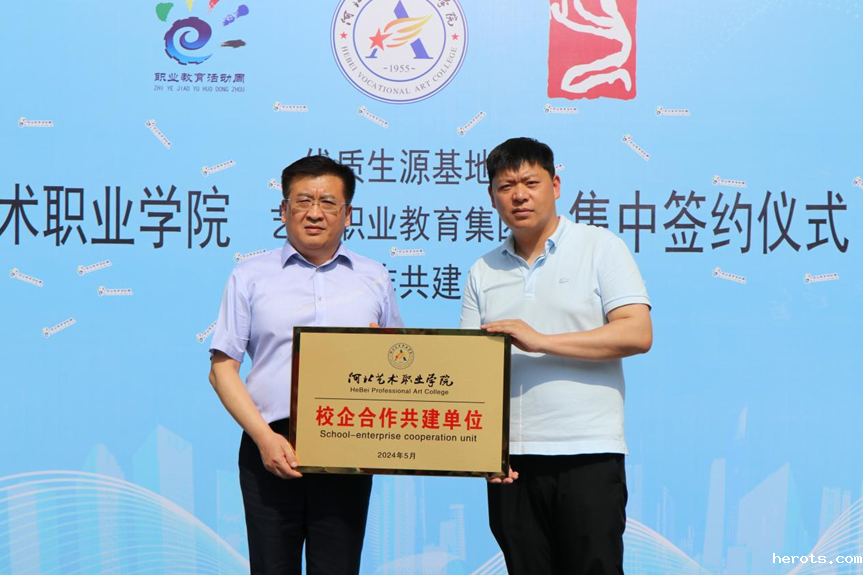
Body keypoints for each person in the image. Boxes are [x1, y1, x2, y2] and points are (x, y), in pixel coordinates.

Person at [459, 137, 652, 575]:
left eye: (531, 182)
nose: (519, 195)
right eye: (506, 186)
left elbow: (637, 333)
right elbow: (473, 369)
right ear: (491, 196)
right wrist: (483, 452)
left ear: (556, 185)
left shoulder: (599, 246)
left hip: (588, 451)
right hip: (512, 463)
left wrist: (542, 340)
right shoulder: (483, 269)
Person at [208, 155, 403, 574]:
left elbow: (399, 364)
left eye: (328, 202)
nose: (315, 213)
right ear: (283, 210)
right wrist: (264, 439)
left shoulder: (373, 277)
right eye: (303, 201)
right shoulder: (250, 275)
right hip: (270, 444)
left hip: (350, 439)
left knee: (338, 567)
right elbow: (222, 369)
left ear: (348, 214)